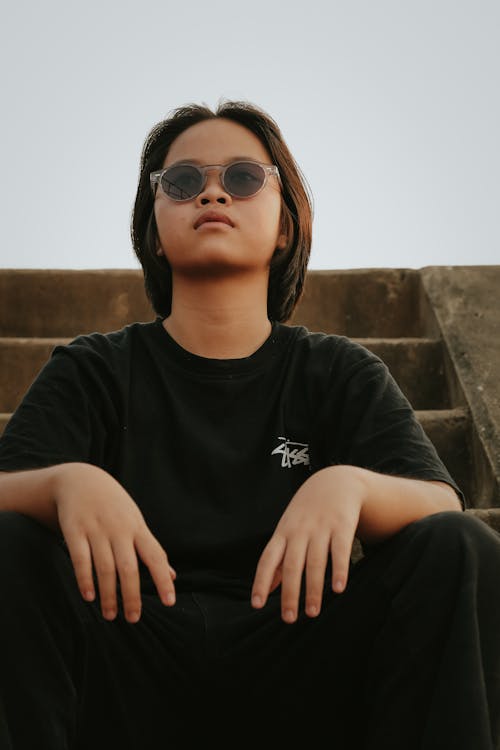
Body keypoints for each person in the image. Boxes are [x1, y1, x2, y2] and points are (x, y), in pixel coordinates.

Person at [0, 99, 499, 750]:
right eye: (182, 181)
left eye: (241, 177)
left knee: (461, 550)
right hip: (126, 664)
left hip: (301, 663)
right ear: (153, 230)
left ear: (285, 224)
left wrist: (350, 485)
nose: (211, 191)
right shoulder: (94, 370)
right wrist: (63, 484)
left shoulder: (336, 371)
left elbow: (440, 502)